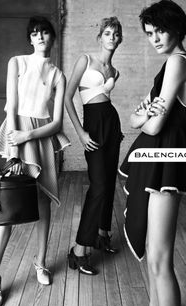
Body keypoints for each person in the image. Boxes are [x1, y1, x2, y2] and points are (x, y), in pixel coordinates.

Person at [118, 1, 186, 306]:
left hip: (166, 160)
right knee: (154, 256)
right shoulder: (171, 64)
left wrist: (146, 116)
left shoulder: (179, 63)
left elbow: (154, 126)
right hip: (158, 159)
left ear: (177, 28)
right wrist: (145, 115)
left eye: (160, 30)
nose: (154, 38)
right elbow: (133, 119)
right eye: (149, 33)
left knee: (160, 261)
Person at [0, 16, 70, 306]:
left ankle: (41, 262)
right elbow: (12, 107)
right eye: (34, 33)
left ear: (52, 38)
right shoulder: (17, 63)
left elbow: (58, 121)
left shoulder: (58, 75)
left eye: (45, 32)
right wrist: (14, 146)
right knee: (8, 205)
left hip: (40, 134)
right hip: (16, 131)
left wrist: (30, 135)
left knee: (44, 201)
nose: (40, 37)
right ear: (29, 38)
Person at [65, 16, 123, 275]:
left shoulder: (115, 71)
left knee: (108, 181)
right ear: (100, 37)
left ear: (119, 39)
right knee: (98, 185)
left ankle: (102, 234)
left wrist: (116, 131)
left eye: (116, 33)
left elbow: (106, 102)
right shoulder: (85, 60)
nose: (112, 37)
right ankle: (78, 250)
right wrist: (80, 132)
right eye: (108, 33)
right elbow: (67, 97)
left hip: (111, 124)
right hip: (93, 125)